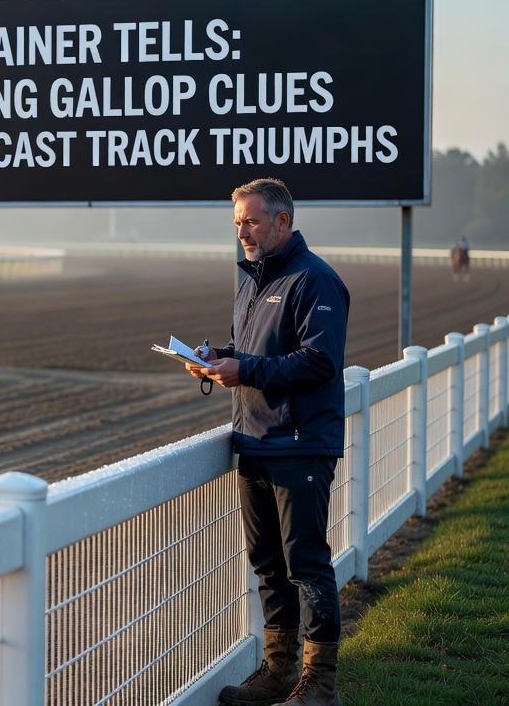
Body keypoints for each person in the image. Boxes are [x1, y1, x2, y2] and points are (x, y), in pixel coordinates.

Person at [187, 178, 350, 706]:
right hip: (255, 443)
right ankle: (279, 672)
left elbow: (319, 360)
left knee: (305, 562)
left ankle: (318, 685)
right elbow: (258, 349)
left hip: (300, 445)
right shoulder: (253, 281)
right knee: (267, 565)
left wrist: (245, 367)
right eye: (237, 222)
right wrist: (218, 358)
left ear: (283, 221)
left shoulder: (314, 279)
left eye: (251, 221)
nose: (242, 231)